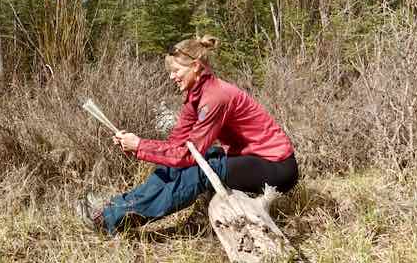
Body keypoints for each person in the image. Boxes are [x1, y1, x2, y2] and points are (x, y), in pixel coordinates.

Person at [77, 35, 298, 235]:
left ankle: (110, 219)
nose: (172, 77)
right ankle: (115, 207)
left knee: (200, 171)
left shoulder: (215, 97)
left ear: (195, 66)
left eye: (176, 71)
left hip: (277, 167)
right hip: (249, 158)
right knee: (175, 167)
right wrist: (137, 144)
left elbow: (188, 156)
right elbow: (177, 145)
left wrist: (140, 146)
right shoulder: (196, 95)